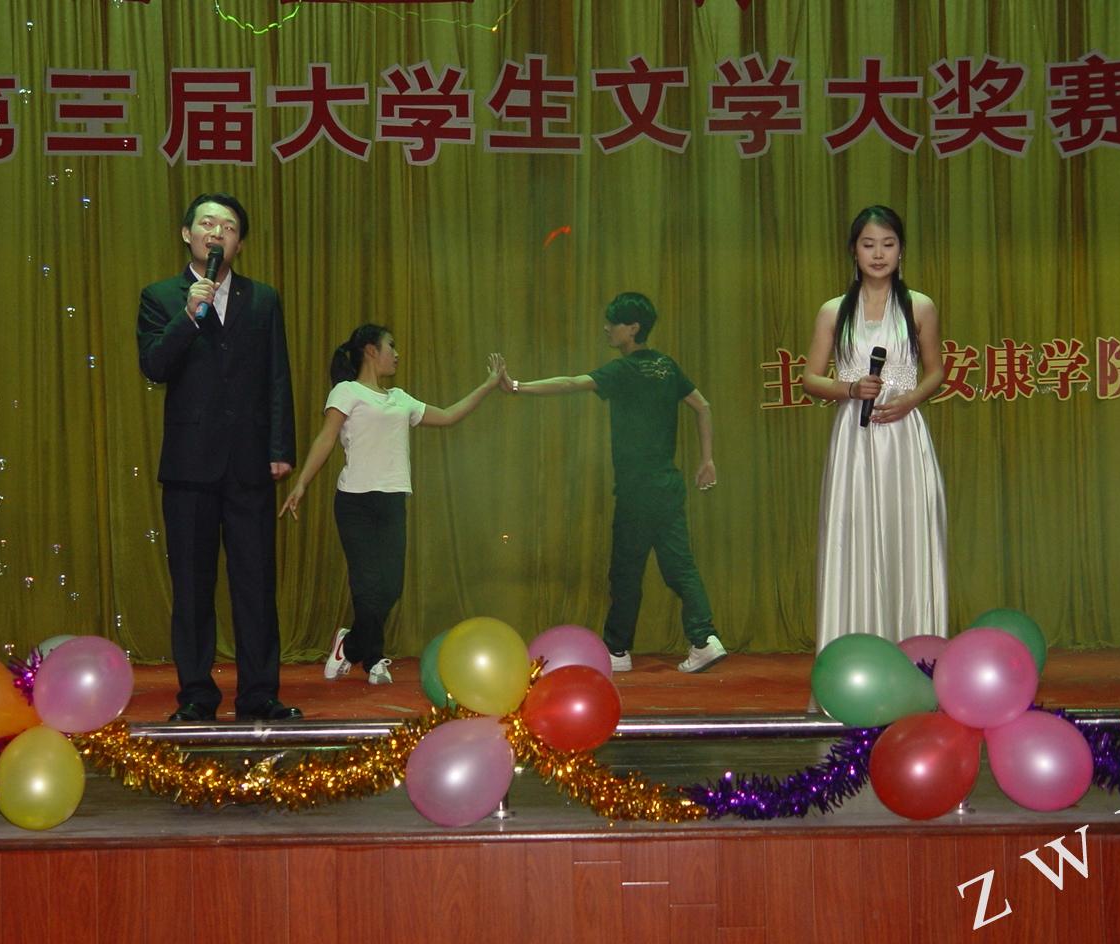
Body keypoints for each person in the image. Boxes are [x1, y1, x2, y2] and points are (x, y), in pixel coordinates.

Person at [137, 192, 301, 723]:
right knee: (192, 586)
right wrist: (188, 315)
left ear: (239, 243)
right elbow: (154, 366)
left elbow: (277, 375)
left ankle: (259, 694)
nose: (216, 233)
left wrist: (280, 448)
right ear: (187, 234)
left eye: (228, 227)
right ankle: (196, 696)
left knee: (256, 584)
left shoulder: (263, 298)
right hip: (189, 465)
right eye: (207, 223)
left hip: (251, 463)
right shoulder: (160, 296)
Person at [500, 292, 726, 674]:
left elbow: (570, 383)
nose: (607, 328)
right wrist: (707, 460)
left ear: (633, 328)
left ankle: (618, 650)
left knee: (626, 570)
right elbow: (702, 406)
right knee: (679, 567)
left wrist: (518, 386)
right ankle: (704, 639)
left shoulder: (624, 371)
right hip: (667, 485)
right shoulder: (667, 366)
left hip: (638, 488)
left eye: (613, 323)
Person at [280, 325, 504, 684]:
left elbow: (448, 415)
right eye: (391, 346)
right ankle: (374, 660)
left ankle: (348, 646)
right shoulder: (347, 391)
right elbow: (326, 438)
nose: (396, 354)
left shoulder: (401, 398)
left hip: (392, 501)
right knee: (366, 586)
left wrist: (489, 385)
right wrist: (302, 483)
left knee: (390, 588)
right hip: (355, 502)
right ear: (371, 350)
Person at [802, 204, 948, 660]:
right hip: (854, 437)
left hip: (904, 437)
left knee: (908, 539)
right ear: (854, 250)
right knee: (854, 541)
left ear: (901, 250)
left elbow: (936, 371)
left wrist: (910, 399)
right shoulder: (833, 311)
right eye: (869, 245)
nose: (879, 254)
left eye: (888, 244)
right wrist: (849, 388)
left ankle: (917, 660)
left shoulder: (919, 306)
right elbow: (810, 378)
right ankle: (853, 659)